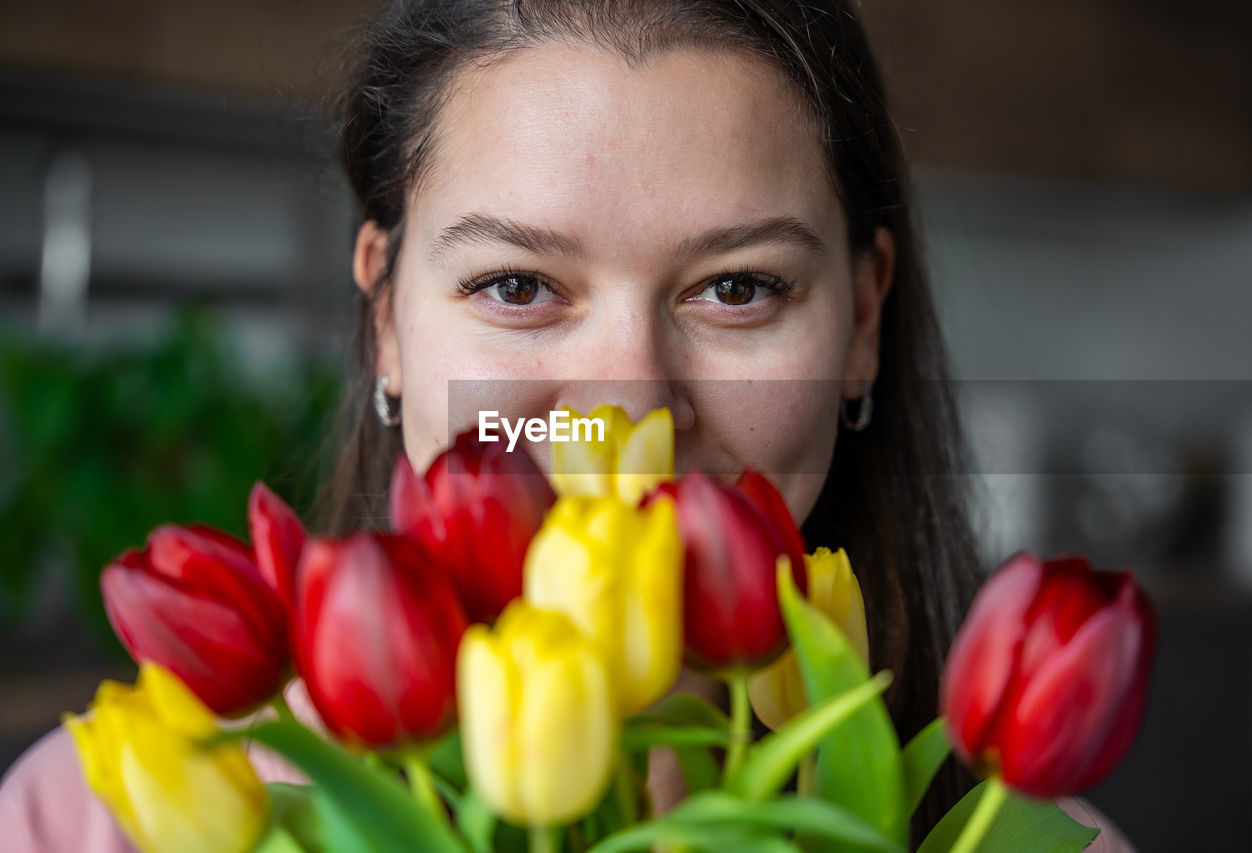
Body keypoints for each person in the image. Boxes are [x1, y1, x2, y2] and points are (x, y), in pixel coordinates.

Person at [0, 1, 1136, 850]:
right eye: (515, 285)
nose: (626, 403)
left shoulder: (1029, 842)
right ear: (386, 319)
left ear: (861, 322)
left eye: (737, 287)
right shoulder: (85, 820)